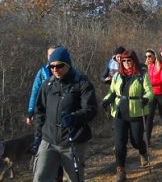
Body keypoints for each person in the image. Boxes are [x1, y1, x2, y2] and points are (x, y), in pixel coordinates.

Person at [33, 47, 97, 182]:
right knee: (40, 178)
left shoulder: (82, 83)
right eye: (52, 66)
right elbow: (39, 111)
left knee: (74, 179)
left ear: (68, 65)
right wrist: (38, 136)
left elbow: (91, 109)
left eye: (59, 66)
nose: (55, 69)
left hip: (72, 140)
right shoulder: (47, 85)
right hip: (49, 140)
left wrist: (74, 117)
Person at [101, 50, 154, 182]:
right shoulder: (117, 76)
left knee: (136, 141)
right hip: (119, 112)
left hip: (137, 112)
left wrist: (146, 99)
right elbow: (112, 92)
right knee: (119, 143)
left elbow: (150, 92)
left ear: (134, 61)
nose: (126, 63)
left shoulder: (142, 75)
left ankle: (142, 151)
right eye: (123, 61)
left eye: (128, 60)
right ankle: (121, 170)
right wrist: (106, 100)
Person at [27, 45, 64, 182]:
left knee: (57, 144)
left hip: (58, 115)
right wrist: (30, 111)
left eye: (54, 54)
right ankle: (40, 171)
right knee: (40, 141)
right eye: (49, 55)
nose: (52, 58)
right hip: (42, 114)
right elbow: (35, 92)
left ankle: (58, 175)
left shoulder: (65, 71)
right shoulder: (42, 72)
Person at [145, 49, 162, 143]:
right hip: (151, 94)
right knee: (149, 116)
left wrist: (149, 83)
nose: (148, 58)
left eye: (149, 56)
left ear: (154, 56)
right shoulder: (147, 66)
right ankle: (147, 139)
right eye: (146, 56)